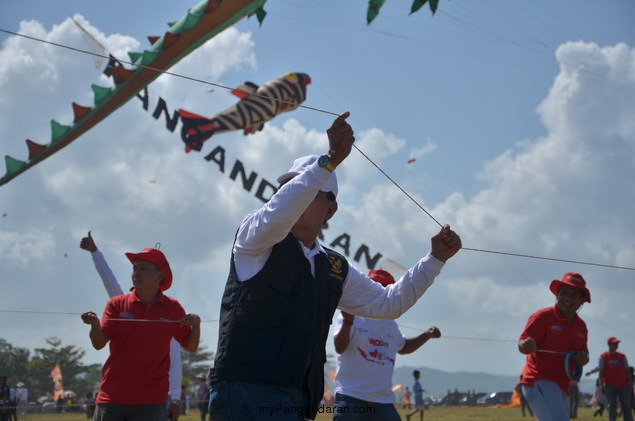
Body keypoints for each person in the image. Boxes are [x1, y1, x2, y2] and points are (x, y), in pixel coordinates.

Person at [208, 112, 462, 421]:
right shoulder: (256, 235)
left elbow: (389, 303)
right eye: (291, 188)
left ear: (331, 209)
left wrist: (434, 260)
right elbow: (278, 212)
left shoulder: (333, 266)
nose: (297, 197)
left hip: (297, 397)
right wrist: (328, 161)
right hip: (244, 389)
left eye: (310, 192)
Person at [81, 245, 201, 421]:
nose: (136, 273)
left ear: (160, 275)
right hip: (112, 398)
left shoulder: (173, 308)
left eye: (143, 269)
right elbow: (98, 344)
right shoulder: (116, 304)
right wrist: (94, 325)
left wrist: (196, 326)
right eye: (135, 268)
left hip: (151, 402)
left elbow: (191, 346)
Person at [332, 269, 442, 421]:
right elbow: (340, 347)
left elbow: (403, 347)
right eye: (376, 287)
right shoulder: (352, 314)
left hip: (383, 401)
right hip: (351, 396)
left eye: (384, 288)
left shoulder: (390, 323)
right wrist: (348, 321)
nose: (379, 293)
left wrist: (426, 335)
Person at [518, 272, 591, 421]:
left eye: (573, 295)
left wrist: (582, 358)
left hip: (563, 385)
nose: (568, 298)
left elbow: (585, 356)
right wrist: (526, 345)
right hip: (539, 381)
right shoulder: (542, 317)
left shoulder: (581, 326)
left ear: (581, 300)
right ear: (557, 295)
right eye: (564, 293)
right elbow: (523, 343)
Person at [598, 337, 633, 421]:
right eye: (614, 343)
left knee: (626, 406)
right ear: (609, 344)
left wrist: (630, 383)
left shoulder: (622, 356)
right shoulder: (603, 356)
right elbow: (601, 372)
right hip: (609, 386)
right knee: (611, 407)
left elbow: (627, 370)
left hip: (623, 385)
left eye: (617, 343)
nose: (616, 345)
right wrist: (601, 385)